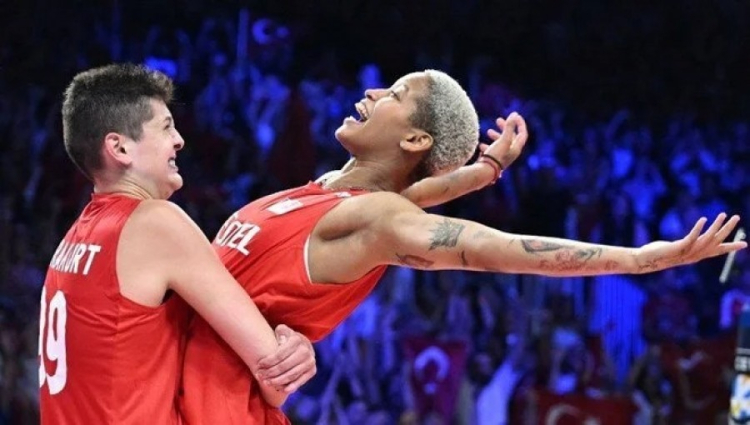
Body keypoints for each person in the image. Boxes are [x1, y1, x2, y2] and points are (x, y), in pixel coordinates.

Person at [180, 69, 747, 424]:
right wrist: (486, 170)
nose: (372, 92)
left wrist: (644, 259)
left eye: (394, 93)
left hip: (211, 408)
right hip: (175, 388)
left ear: (414, 138)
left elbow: (495, 247)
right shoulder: (335, 192)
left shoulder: (379, 219)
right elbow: (414, 190)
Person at [39, 64, 316, 425]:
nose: (179, 140)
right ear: (120, 147)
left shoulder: (71, 243)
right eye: (166, 127)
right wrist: (293, 348)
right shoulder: (155, 222)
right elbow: (275, 373)